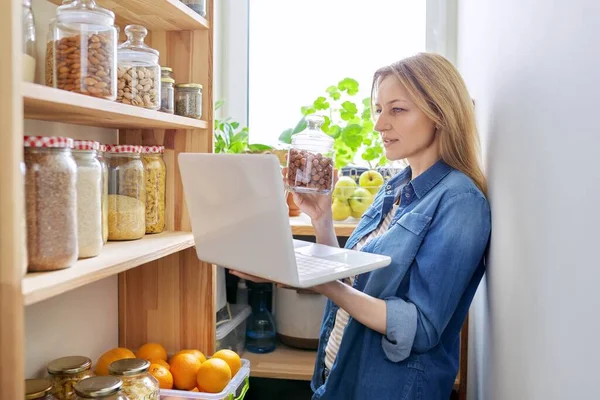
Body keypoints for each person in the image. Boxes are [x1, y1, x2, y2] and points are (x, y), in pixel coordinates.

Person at [231, 52, 491, 399]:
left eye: (397, 109)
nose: (381, 124)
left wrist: (317, 281)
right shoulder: (395, 187)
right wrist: (321, 219)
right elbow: (355, 275)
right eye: (380, 109)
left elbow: (420, 329)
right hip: (340, 373)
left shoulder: (460, 202)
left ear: (440, 113)